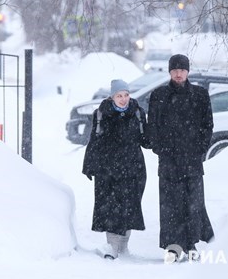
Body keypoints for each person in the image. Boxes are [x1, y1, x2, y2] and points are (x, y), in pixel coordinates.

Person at [147, 54, 215, 262]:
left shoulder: (200, 95)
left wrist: (199, 149)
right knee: (170, 205)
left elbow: (208, 125)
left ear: (188, 71)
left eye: (182, 70)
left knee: (193, 204)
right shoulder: (159, 95)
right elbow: (153, 126)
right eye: (175, 70)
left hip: (192, 160)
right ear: (169, 71)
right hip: (168, 161)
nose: (178, 73)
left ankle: (191, 242)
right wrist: (160, 149)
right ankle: (173, 246)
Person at [82, 79, 149, 259]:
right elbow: (94, 140)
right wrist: (89, 165)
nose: (123, 99)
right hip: (108, 168)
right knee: (110, 208)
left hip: (133, 167)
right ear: (112, 97)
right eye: (119, 95)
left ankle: (124, 247)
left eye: (126, 95)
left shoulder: (137, 113)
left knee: (129, 207)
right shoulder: (101, 114)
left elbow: (146, 139)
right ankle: (112, 246)